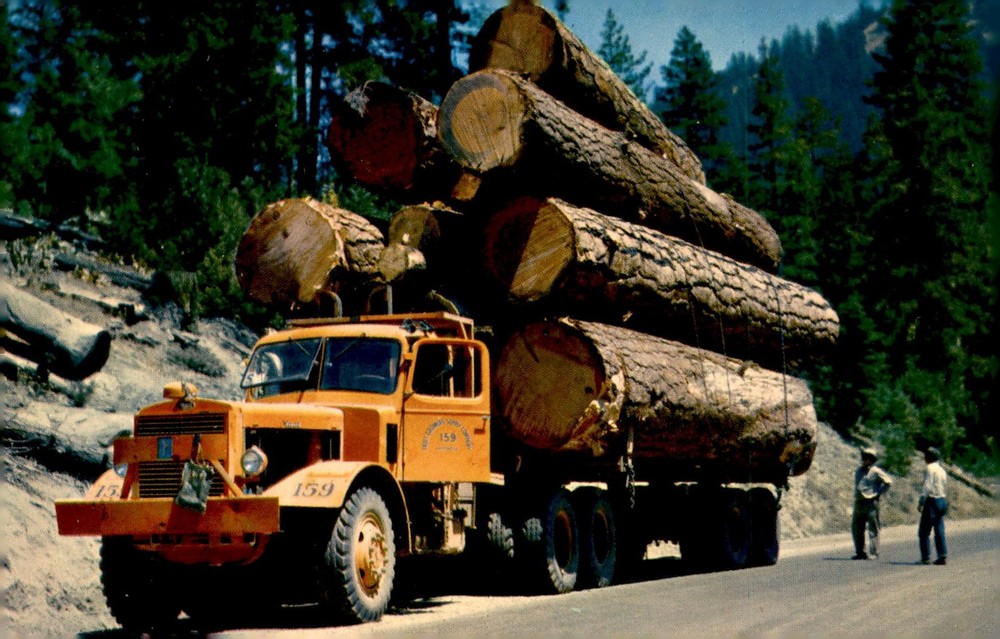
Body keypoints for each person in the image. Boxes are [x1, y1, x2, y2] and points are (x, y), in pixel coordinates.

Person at [852, 447, 893, 559]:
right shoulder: (859, 471)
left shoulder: (875, 471)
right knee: (857, 528)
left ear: (872, 459)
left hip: (871, 503)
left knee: (873, 528)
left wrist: (879, 493)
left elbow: (888, 482)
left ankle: (874, 553)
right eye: (863, 457)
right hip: (859, 502)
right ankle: (860, 552)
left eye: (866, 457)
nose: (864, 459)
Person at [918, 447, 949, 565]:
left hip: (932, 500)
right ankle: (942, 555)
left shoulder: (930, 468)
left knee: (924, 531)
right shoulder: (942, 470)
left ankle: (925, 557)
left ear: (930, 457)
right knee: (939, 528)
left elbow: (927, 486)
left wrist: (921, 501)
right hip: (942, 499)